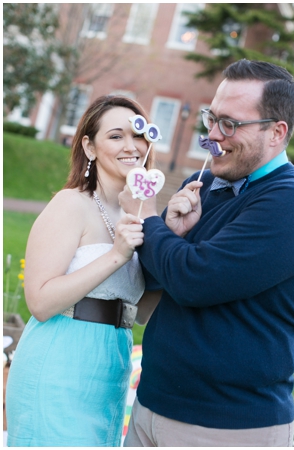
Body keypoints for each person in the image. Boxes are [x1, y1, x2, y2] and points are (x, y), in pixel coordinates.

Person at [117, 59, 294, 446]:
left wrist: (148, 216)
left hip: (226, 423)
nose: (213, 136)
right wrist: (168, 231)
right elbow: (151, 278)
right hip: (152, 403)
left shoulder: (287, 201)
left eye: (230, 124)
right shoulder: (202, 183)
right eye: (211, 118)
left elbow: (193, 280)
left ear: (276, 132)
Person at [5, 95, 161, 446]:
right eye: (116, 136)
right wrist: (116, 255)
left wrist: (175, 242)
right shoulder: (70, 204)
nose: (131, 146)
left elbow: (141, 313)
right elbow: (40, 303)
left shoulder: (139, 215)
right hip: (59, 361)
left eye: (138, 136)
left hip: (111, 363)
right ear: (89, 147)